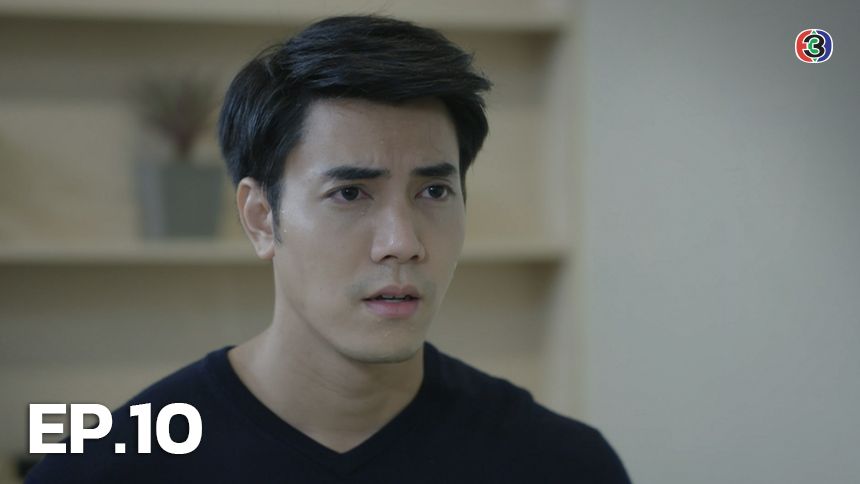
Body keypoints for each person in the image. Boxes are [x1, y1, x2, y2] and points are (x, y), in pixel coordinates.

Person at [26, 15, 631, 483]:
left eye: (434, 191)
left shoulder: (558, 462)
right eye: (349, 193)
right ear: (261, 218)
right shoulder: (107, 467)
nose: (402, 243)